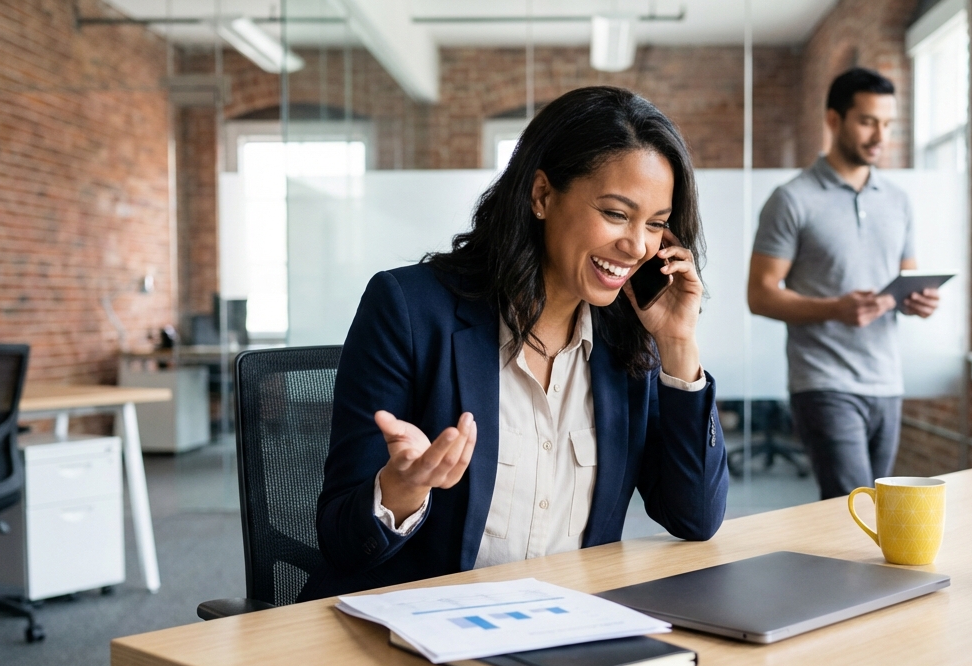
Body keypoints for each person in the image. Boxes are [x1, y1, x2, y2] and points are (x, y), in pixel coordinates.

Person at [312, 86, 729, 595]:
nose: (637, 245)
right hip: (424, 630)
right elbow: (342, 540)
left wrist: (678, 344)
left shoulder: (627, 339)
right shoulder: (410, 310)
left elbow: (696, 516)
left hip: (564, 629)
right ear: (542, 195)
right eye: (617, 214)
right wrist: (403, 489)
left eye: (657, 225)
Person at [746, 67, 940, 500]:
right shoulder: (792, 199)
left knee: (879, 510)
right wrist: (835, 308)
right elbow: (760, 294)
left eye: (887, 124)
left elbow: (904, 279)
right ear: (834, 120)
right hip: (824, 379)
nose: (880, 136)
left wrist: (917, 300)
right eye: (868, 121)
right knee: (854, 508)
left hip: (887, 381)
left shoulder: (898, 200)